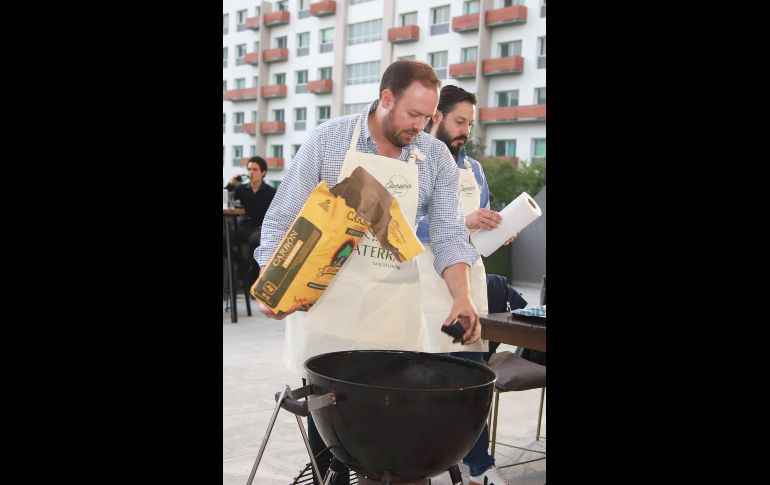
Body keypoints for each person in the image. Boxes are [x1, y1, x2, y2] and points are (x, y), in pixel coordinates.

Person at [254, 60, 481, 484]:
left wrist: (462, 297)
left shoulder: (433, 158)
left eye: (428, 117)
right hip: (328, 308)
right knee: (329, 431)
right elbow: (282, 220)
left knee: (386, 438)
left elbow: (450, 235)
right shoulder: (329, 140)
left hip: (391, 310)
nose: (420, 126)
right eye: (412, 115)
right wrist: (274, 286)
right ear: (386, 98)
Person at [418, 84, 518, 485]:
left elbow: (480, 224)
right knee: (425, 385)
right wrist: (463, 223)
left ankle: (478, 466)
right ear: (436, 116)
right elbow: (402, 226)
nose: (464, 131)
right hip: (422, 287)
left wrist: (498, 228)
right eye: (459, 121)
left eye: (469, 125)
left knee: (473, 383)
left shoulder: (474, 170)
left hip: (468, 287)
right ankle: (425, 466)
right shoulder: (414, 164)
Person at [224, 156, 276, 282]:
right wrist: (231, 184)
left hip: (259, 228)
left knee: (256, 242)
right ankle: (242, 263)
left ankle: (253, 281)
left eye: (254, 169)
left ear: (263, 172)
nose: (251, 172)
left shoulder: (271, 191)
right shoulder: (241, 189)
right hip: (243, 226)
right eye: (249, 169)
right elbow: (225, 199)